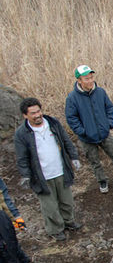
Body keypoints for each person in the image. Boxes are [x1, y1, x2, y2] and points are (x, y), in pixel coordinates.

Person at [65, 65, 113, 194]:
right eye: (86, 78)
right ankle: (102, 180)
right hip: (87, 138)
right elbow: (71, 118)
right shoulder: (72, 98)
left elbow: (109, 108)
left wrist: (109, 124)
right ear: (79, 80)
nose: (90, 81)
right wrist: (82, 131)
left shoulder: (100, 92)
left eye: (91, 77)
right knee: (95, 161)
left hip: (104, 133)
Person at [14, 98, 83, 242]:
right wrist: (26, 176)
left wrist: (74, 157)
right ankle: (56, 229)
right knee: (49, 206)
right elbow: (22, 158)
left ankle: (69, 221)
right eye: (33, 113)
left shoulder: (53, 123)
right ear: (25, 115)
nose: (37, 115)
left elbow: (66, 141)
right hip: (41, 176)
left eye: (38, 111)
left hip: (61, 170)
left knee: (67, 201)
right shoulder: (21, 134)